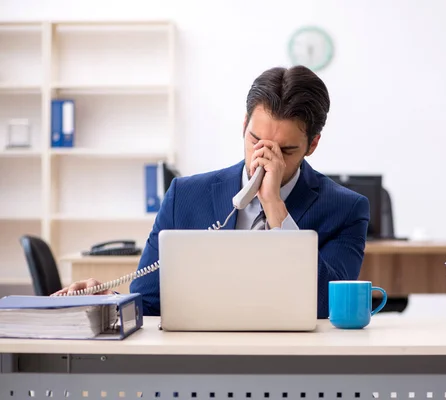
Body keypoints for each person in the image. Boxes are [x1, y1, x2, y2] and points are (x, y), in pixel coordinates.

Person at [53, 65, 370, 319]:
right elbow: (149, 303)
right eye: (255, 140)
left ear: (312, 145)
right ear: (244, 124)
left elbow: (326, 307)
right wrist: (110, 301)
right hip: (199, 364)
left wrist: (275, 207)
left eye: (285, 150)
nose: (265, 158)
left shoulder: (346, 209)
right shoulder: (185, 196)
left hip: (294, 366)